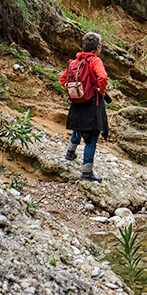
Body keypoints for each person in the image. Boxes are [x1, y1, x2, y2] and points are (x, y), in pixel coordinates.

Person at [59, 31, 109, 182]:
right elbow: (103, 77)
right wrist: (100, 91)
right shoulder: (95, 61)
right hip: (92, 102)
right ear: (97, 48)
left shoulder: (75, 61)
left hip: (77, 101)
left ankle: (70, 153)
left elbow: (63, 79)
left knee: (78, 126)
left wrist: (76, 92)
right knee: (92, 136)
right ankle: (87, 173)